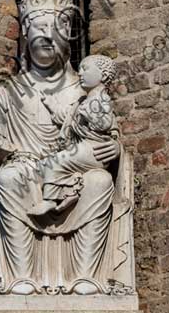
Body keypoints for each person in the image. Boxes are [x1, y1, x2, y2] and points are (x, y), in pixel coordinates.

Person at [0, 0, 120, 295]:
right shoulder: (8, 92)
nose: (45, 38)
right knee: (8, 178)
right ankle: (21, 276)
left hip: (75, 170)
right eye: (37, 31)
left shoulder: (85, 91)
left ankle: (86, 276)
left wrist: (116, 151)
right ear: (26, 37)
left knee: (101, 181)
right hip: (26, 168)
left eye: (53, 31)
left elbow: (108, 132)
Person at [28, 55, 119, 218]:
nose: (80, 73)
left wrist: (89, 115)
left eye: (85, 69)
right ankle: (70, 193)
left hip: (94, 149)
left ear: (103, 76)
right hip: (83, 147)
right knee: (49, 163)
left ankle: (50, 200)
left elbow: (106, 124)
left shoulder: (101, 99)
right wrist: (50, 104)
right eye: (79, 69)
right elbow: (65, 117)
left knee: (58, 161)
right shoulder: (82, 102)